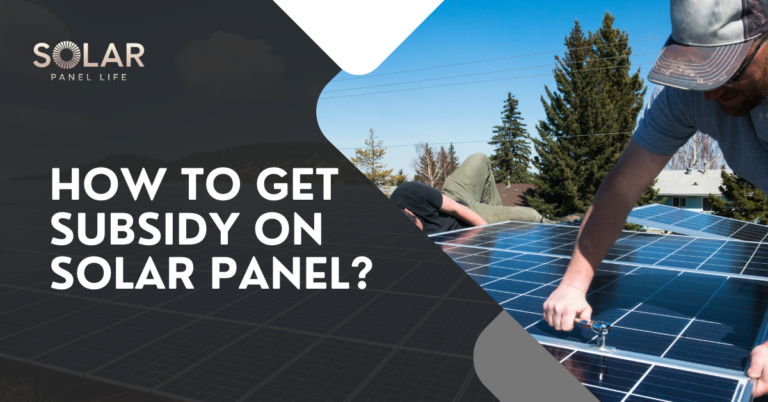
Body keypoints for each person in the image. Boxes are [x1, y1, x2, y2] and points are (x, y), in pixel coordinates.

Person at [541, 0, 768, 396]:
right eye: (701, 70)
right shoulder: (689, 94)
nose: (711, 93)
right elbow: (622, 186)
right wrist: (574, 284)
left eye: (728, 69)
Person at [391, 153, 551, 234]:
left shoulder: (408, 192)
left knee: (479, 159)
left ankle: (493, 214)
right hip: (462, 230)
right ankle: (556, 224)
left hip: (459, 204)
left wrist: (489, 235)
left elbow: (457, 209)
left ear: (408, 211)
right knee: (530, 216)